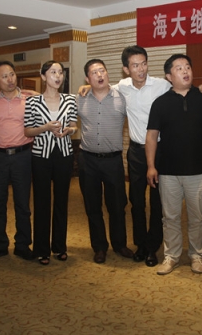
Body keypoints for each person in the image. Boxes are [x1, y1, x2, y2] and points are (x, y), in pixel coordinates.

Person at [78, 46, 202, 267]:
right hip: (136, 152)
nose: (141, 69)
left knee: (158, 203)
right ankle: (140, 244)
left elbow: (183, 86)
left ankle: (152, 248)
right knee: (136, 201)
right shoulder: (122, 88)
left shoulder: (161, 85)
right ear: (126, 69)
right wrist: (85, 86)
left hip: (161, 151)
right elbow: (99, 86)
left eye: (144, 64)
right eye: (135, 65)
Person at [146, 54, 202, 276]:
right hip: (168, 171)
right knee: (170, 217)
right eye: (179, 68)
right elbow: (151, 136)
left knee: (197, 217)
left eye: (188, 66)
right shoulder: (160, 103)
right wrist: (151, 166)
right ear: (169, 76)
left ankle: (196, 255)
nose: (185, 71)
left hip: (197, 171)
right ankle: (171, 256)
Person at [77, 59, 134, 264]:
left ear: (108, 73)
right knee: (92, 207)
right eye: (94, 72)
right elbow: (56, 103)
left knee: (117, 205)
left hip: (112, 161)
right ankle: (99, 247)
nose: (99, 75)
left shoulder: (122, 97)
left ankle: (119, 244)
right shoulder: (79, 98)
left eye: (102, 70)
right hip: (87, 160)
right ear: (87, 78)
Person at [0, 61, 35, 263]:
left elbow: (49, 103)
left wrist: (35, 93)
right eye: (4, 76)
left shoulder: (29, 99)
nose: (10, 79)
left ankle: (23, 245)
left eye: (12, 74)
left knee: (23, 204)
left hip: (23, 156)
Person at [24, 61, 77, 266]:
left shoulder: (70, 100)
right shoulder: (32, 102)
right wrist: (45, 127)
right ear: (43, 76)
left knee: (62, 201)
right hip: (41, 156)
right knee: (42, 201)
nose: (58, 76)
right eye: (53, 72)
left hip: (64, 154)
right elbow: (28, 131)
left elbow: (74, 126)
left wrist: (69, 130)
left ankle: (59, 246)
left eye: (60, 72)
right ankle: (42, 249)